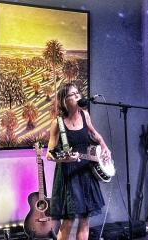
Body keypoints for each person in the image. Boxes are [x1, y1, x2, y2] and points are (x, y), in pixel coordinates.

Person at [46, 82, 112, 240]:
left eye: (78, 93)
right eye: (72, 94)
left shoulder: (85, 114)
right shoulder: (57, 123)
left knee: (85, 220)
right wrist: (66, 159)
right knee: (68, 221)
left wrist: (104, 147)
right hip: (69, 175)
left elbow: (94, 134)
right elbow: (49, 154)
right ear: (64, 101)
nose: (77, 96)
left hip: (86, 171)